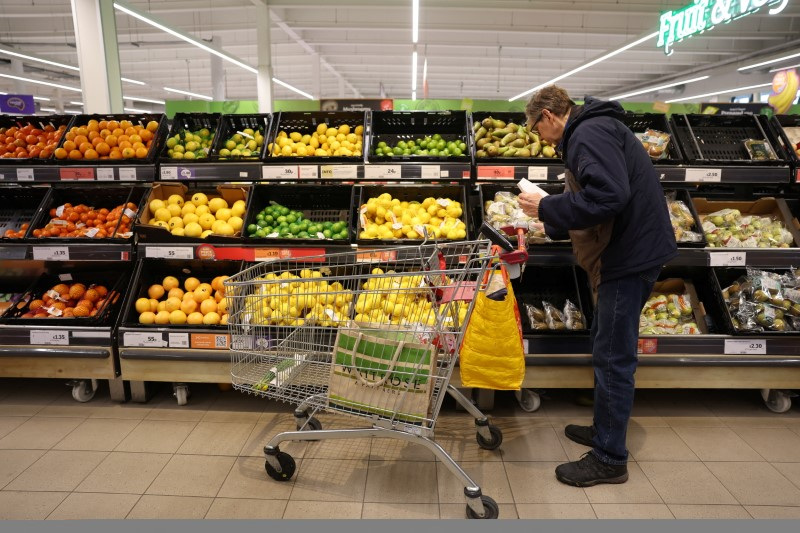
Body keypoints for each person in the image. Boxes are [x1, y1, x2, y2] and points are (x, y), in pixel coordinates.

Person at [518, 86, 677, 487]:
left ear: (549, 116)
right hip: (628, 250)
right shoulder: (592, 130)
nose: (540, 138)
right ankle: (604, 429)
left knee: (613, 356)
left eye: (537, 129)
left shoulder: (588, 133)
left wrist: (546, 207)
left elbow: (610, 195)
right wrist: (550, 215)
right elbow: (594, 194)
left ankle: (609, 458)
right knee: (607, 347)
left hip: (628, 256)